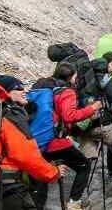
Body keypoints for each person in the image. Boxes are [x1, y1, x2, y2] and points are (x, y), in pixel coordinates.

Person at [29, 64, 102, 210]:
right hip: (53, 141)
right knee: (84, 165)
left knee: (41, 178)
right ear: (71, 76)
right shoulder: (67, 91)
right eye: (75, 76)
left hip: (36, 140)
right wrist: (92, 108)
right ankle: (73, 203)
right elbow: (69, 116)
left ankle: (37, 206)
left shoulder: (44, 88)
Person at [0, 76, 67, 210]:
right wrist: (54, 172)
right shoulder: (11, 115)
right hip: (5, 188)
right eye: (18, 88)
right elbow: (26, 156)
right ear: (5, 92)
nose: (24, 91)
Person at [77, 52, 112, 176]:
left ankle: (81, 192)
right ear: (105, 64)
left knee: (86, 161)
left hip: (84, 126)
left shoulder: (86, 76)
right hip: (103, 124)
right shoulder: (104, 80)